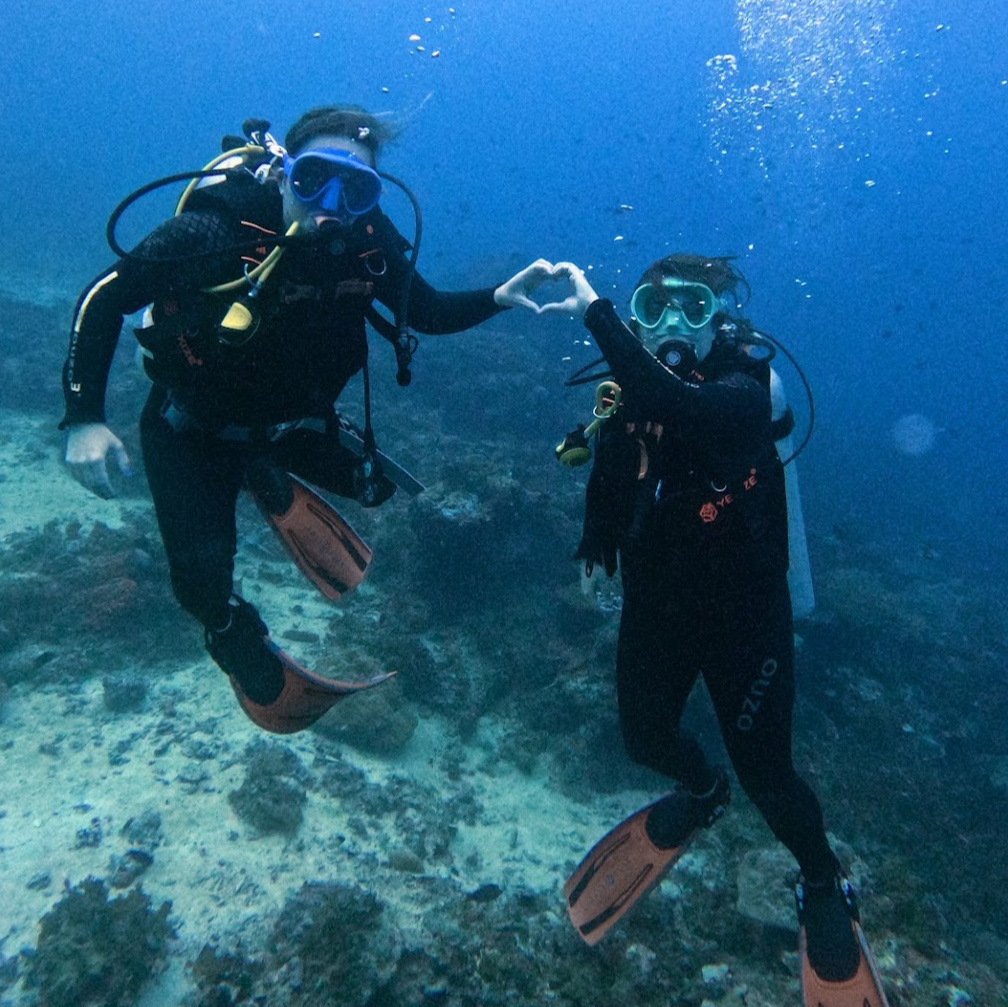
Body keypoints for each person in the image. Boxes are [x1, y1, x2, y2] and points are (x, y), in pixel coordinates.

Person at [60, 105, 547, 734]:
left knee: (375, 493)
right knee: (202, 589)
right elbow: (104, 298)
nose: (334, 203)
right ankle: (233, 627)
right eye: (316, 176)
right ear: (285, 170)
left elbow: (421, 310)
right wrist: (83, 417)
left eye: (358, 188)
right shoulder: (216, 232)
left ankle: (264, 464)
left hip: (290, 424)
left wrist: (499, 297)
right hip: (191, 429)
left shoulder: (367, 240)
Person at [543, 255, 889, 1007]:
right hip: (658, 607)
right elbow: (611, 482)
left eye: (693, 308)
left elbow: (687, 408)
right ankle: (701, 791)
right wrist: (594, 543)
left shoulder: (744, 386)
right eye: (655, 308)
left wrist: (598, 315)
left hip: (745, 617)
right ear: (639, 316)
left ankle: (824, 882)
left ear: (720, 318)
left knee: (771, 776)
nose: (674, 325)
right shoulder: (624, 394)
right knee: (642, 737)